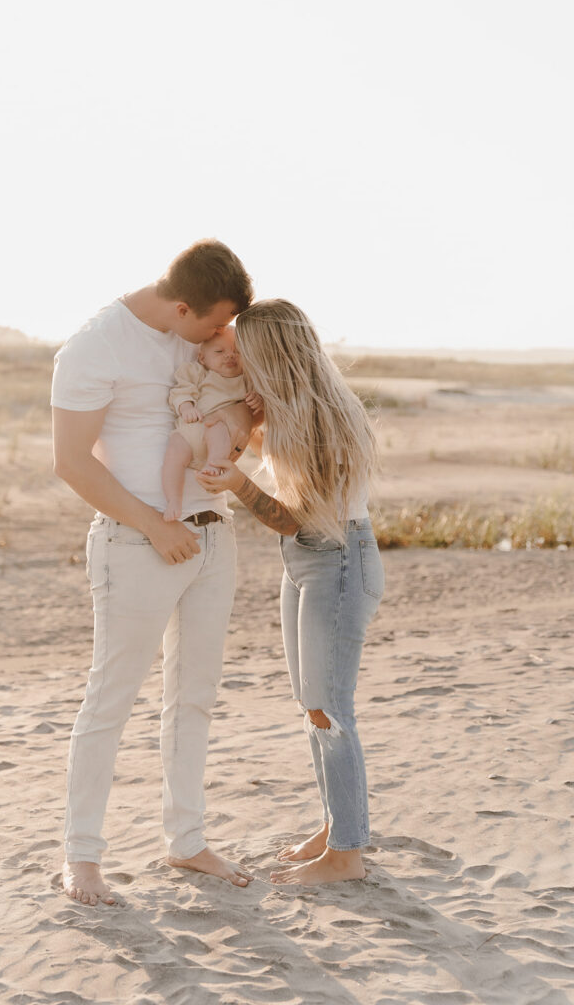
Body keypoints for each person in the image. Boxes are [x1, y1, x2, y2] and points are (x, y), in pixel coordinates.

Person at [51, 239, 256, 906]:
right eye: (214, 322)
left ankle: (187, 841)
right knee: (110, 700)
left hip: (213, 538)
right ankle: (82, 860)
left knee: (193, 698)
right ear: (180, 304)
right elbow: (73, 462)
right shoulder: (95, 347)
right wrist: (153, 524)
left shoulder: (196, 338)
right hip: (137, 544)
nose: (221, 336)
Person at [197, 298, 384, 885]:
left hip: (336, 559)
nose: (238, 361)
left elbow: (292, 517)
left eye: (246, 352)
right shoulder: (290, 409)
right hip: (307, 560)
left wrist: (239, 484)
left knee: (331, 707)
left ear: (271, 354)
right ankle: (336, 827)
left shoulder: (323, 419)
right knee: (313, 704)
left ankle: (348, 855)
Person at [162, 327, 255, 521]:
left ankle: (213, 465)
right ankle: (173, 500)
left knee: (218, 429)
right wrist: (186, 407)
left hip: (216, 433)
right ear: (202, 358)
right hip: (188, 432)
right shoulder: (197, 372)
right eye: (219, 352)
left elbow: (255, 406)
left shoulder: (245, 380)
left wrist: (258, 400)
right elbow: (180, 391)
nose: (230, 356)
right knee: (173, 454)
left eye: (236, 352)